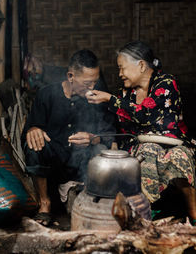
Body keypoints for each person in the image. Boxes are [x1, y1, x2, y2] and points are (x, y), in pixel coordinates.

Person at [86, 41, 196, 222]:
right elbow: (118, 126)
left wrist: (109, 99)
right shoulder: (125, 93)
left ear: (142, 65)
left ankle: (194, 218)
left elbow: (147, 115)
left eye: (122, 68)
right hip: (141, 148)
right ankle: (146, 216)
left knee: (180, 156)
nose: (120, 74)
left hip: (174, 144)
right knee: (148, 151)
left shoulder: (166, 83)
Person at [21, 49, 115, 226]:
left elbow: (110, 132)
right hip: (52, 164)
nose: (93, 88)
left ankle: (87, 199)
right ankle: (45, 203)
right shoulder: (47, 94)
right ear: (71, 76)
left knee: (100, 150)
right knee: (34, 145)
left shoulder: (98, 95)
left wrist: (92, 138)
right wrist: (33, 129)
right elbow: (31, 128)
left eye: (95, 82)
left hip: (82, 164)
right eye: (87, 83)